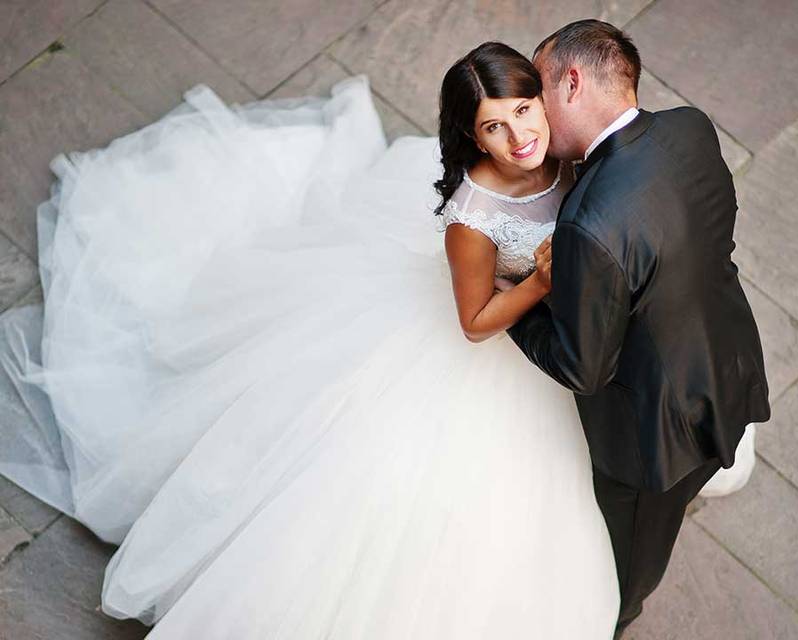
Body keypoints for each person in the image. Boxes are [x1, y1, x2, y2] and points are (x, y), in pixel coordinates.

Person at [0, 43, 622, 638]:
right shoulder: (473, 217)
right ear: (474, 138)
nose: (519, 137)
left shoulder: (559, 150)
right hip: (488, 342)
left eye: (522, 110)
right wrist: (541, 281)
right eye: (493, 127)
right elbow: (475, 321)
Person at [504, 20, 771, 637]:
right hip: (729, 363)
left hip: (653, 441)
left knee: (631, 554)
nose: (533, 113)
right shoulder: (690, 127)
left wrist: (513, 304)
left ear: (572, 83)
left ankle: (618, 613)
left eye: (538, 92)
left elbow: (582, 368)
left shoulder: (589, 224)